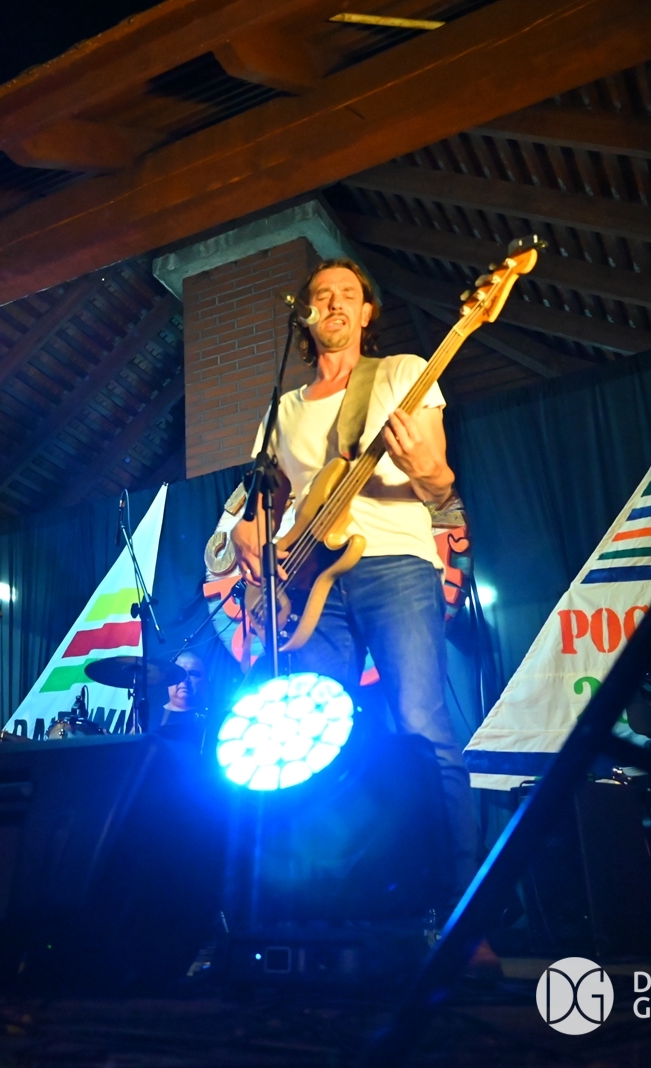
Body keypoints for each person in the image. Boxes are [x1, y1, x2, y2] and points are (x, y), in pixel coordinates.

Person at [230, 258, 480, 894]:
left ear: (367, 313)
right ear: (306, 316)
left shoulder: (401, 373)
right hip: (307, 581)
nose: (335, 302)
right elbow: (263, 502)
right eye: (321, 295)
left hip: (395, 563)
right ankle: (319, 902)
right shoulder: (282, 409)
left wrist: (429, 473)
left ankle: (459, 907)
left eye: (349, 294)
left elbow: (439, 490)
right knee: (304, 733)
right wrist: (247, 532)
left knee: (420, 725)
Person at [155, 649, 211, 749]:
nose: (185, 679)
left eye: (193, 673)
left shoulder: (214, 720)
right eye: (179, 673)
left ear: (206, 681)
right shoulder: (146, 717)